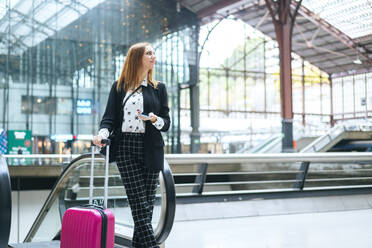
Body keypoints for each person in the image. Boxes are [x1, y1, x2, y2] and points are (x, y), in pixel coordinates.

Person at [93, 42, 170, 248]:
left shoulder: (158, 88)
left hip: (151, 148)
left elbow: (167, 123)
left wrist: (155, 119)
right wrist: (102, 134)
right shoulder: (119, 86)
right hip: (126, 146)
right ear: (137, 58)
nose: (154, 56)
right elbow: (109, 118)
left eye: (154, 53)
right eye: (149, 53)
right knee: (139, 203)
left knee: (146, 208)